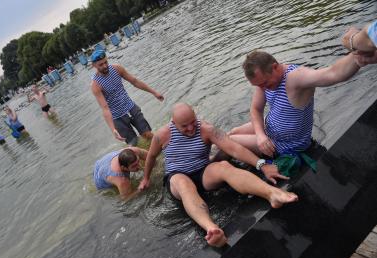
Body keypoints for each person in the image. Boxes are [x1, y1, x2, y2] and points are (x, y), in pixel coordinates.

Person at [138, 103, 298, 247]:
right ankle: (212, 229)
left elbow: (233, 148)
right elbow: (151, 157)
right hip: (177, 176)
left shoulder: (206, 129)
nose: (191, 128)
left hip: (202, 172)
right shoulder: (163, 135)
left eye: (193, 122)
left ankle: (272, 194)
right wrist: (145, 178)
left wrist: (261, 165)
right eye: (184, 126)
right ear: (173, 123)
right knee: (183, 184)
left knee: (224, 166)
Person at [228, 50, 371, 160]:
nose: (263, 88)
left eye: (265, 83)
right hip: (269, 130)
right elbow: (256, 109)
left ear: (275, 67)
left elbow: (332, 74)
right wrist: (260, 135)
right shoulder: (263, 83)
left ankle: (211, 170)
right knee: (233, 132)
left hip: (286, 145)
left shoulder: (295, 78)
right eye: (259, 86)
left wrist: (358, 57)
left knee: (229, 141)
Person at [90, 49, 164, 145]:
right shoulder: (95, 85)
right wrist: (113, 129)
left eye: (105, 62)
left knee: (147, 134)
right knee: (133, 143)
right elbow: (105, 108)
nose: (104, 66)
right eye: (101, 64)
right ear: (94, 65)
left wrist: (154, 92)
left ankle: (164, 148)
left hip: (130, 107)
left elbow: (134, 81)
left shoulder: (117, 69)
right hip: (117, 117)